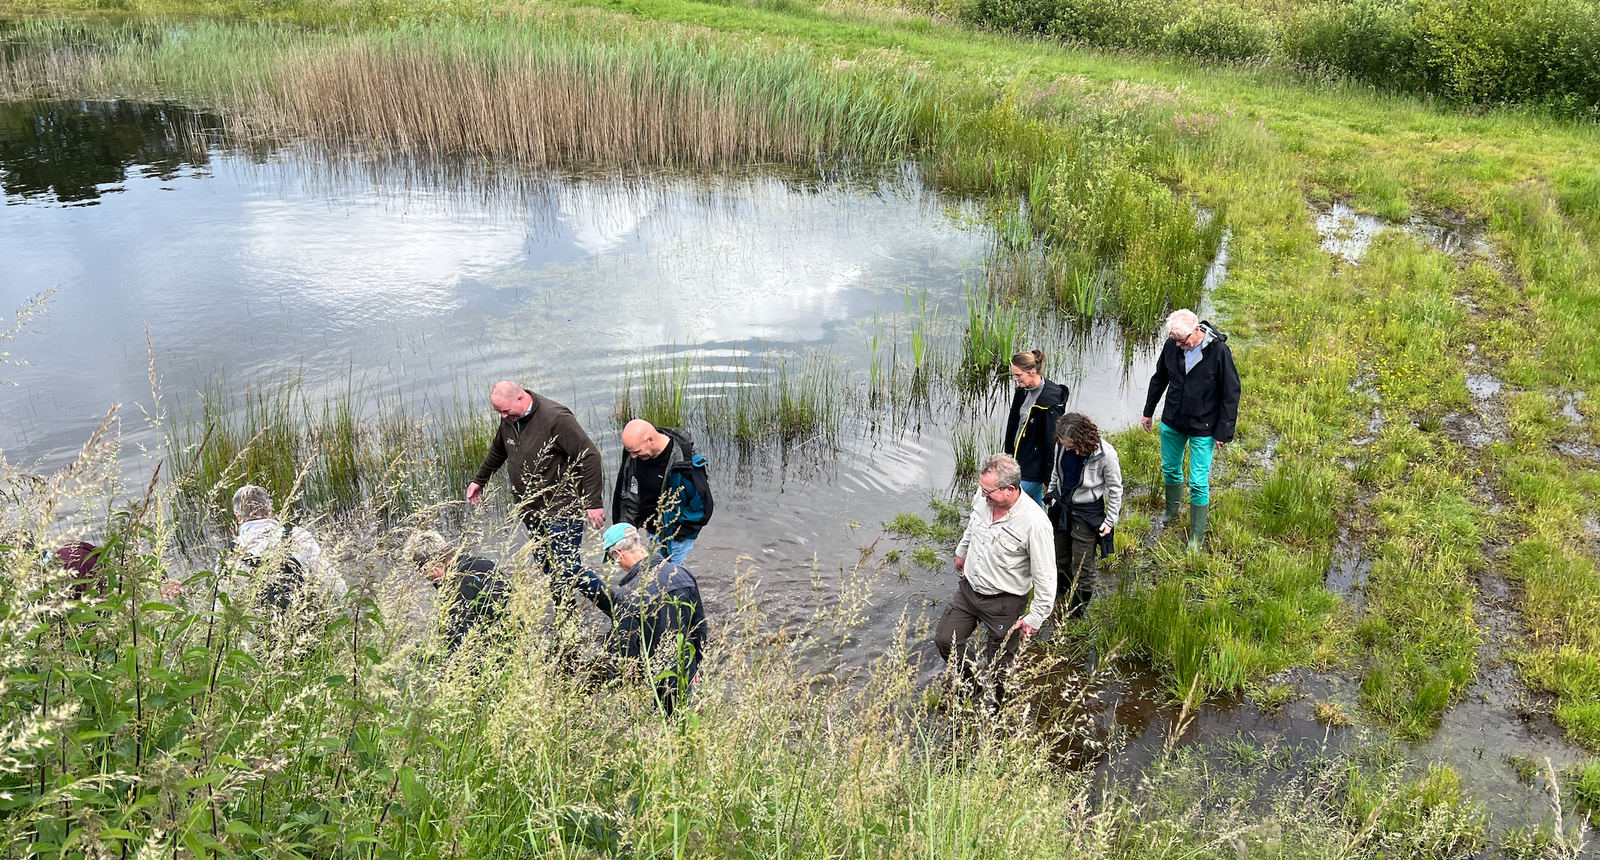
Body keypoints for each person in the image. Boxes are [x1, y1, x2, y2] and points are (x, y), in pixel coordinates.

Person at [467, 381, 605, 605]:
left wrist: (593, 503)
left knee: (569, 569)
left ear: (520, 398)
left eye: (505, 410)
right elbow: (498, 450)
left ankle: (618, 611)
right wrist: (479, 480)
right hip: (531, 510)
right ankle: (564, 616)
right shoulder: (510, 420)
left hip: (562, 508)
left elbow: (589, 457)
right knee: (547, 564)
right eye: (498, 411)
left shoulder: (556, 418)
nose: (502, 416)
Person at [935, 454, 1057, 706]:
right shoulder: (983, 499)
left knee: (1001, 667)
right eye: (981, 489)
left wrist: (1035, 618)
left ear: (1010, 489)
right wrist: (961, 552)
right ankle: (971, 688)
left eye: (988, 491)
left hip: (1005, 603)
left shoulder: (1035, 524)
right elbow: (972, 526)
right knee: (946, 640)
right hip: (969, 592)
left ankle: (1001, 715)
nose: (982, 496)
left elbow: (1046, 576)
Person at [576, 524, 708, 716]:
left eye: (614, 560)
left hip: (654, 682)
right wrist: (696, 665)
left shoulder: (628, 594)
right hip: (684, 670)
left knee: (655, 730)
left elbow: (625, 651)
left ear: (617, 553)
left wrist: (622, 691)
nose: (617, 565)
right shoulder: (682, 573)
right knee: (682, 725)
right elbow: (699, 626)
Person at [1141, 309, 1241, 550]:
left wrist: (1223, 432)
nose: (1178, 345)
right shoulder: (1172, 346)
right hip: (1172, 421)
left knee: (1198, 482)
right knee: (1170, 468)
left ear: (1196, 331)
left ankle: (1196, 535)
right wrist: (1148, 410)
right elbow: (1159, 378)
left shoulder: (1218, 352)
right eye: (1174, 340)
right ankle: (1171, 511)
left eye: (1181, 341)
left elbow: (1231, 392)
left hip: (1204, 426)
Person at [1044, 413, 1123, 619]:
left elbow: (1115, 489)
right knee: (1059, 558)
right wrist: (1052, 497)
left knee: (1082, 566)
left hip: (1087, 512)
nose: (1067, 449)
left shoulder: (1106, 455)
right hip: (1062, 506)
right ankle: (1061, 596)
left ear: (1082, 439)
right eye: (1064, 445)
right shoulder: (1061, 446)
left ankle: (1076, 614)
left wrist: (1110, 521)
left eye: (1070, 446)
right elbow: (1055, 473)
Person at [611, 420, 714, 565]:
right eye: (630, 452)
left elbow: (703, 506)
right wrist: (624, 529)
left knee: (668, 579)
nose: (633, 456)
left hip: (675, 537)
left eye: (636, 451)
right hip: (652, 531)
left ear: (651, 440)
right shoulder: (636, 457)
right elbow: (631, 495)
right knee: (657, 575)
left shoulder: (686, 464)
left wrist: (678, 531)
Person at [231, 484, 346, 612]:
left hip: (256, 627)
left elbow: (222, 604)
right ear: (270, 511)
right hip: (302, 620)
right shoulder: (296, 535)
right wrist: (349, 617)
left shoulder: (232, 552)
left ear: (238, 516)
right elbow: (331, 580)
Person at [403, 530, 509, 653]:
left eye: (421, 570)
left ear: (433, 566)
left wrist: (418, 652)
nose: (422, 576)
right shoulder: (484, 564)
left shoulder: (455, 592)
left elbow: (459, 648)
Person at [1003, 350, 1066, 506]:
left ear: (1032, 372)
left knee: (1007, 501)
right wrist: (1008, 456)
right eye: (1014, 375)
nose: (1015, 379)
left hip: (1034, 470)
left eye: (1018, 375)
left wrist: (1049, 478)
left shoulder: (1049, 401)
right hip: (1018, 461)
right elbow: (1014, 425)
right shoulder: (1022, 391)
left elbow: (1053, 442)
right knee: (1035, 506)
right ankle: (1046, 530)